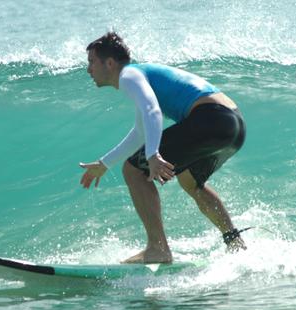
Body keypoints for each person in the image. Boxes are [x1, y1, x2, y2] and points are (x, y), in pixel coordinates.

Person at [80, 32, 247, 264]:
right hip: (233, 125)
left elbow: (153, 111)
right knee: (190, 181)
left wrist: (153, 154)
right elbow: (141, 130)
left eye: (91, 62)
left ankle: (158, 248)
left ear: (109, 63)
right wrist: (105, 163)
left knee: (133, 171)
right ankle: (234, 242)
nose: (88, 70)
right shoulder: (140, 76)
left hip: (211, 118)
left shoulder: (129, 75)